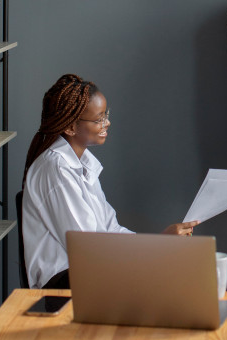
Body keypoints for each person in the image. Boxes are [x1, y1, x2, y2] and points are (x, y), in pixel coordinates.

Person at [22, 74, 198, 289]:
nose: (107, 123)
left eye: (106, 115)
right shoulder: (56, 168)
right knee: (185, 277)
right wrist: (157, 246)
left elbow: (110, 229)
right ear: (70, 127)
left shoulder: (82, 163)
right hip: (68, 281)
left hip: (93, 269)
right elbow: (87, 247)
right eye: (99, 119)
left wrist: (160, 242)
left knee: (198, 270)